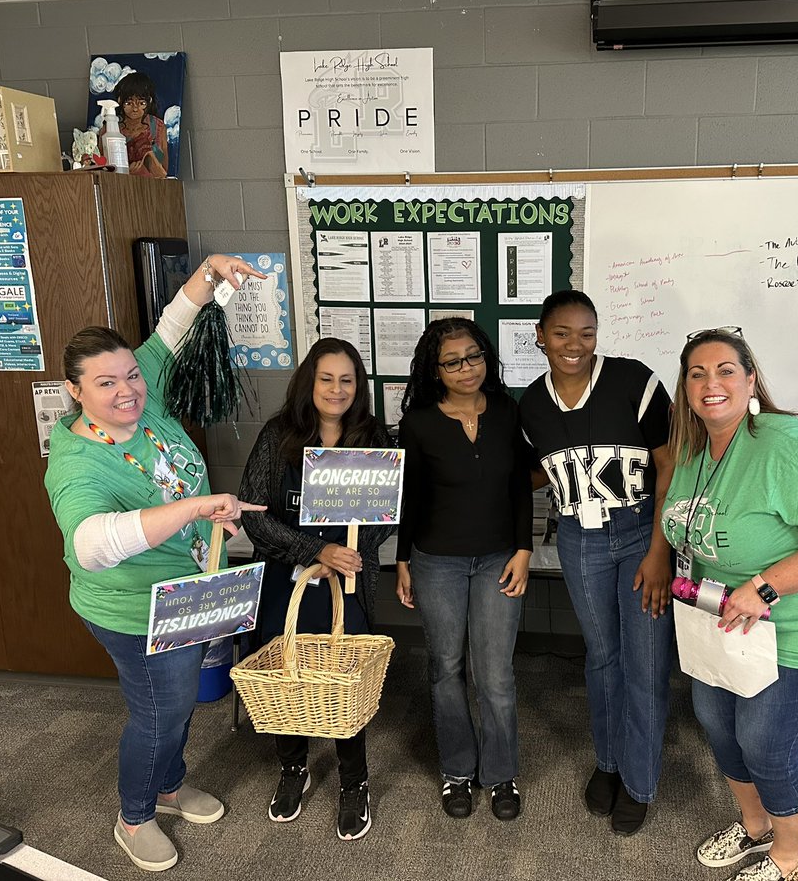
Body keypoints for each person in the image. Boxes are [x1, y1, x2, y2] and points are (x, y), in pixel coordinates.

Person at [45, 254, 267, 872]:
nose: (127, 391)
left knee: (176, 704)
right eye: (107, 384)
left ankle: (168, 789)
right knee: (160, 711)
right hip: (131, 609)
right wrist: (196, 508)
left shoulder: (141, 392)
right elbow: (92, 544)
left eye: (130, 378)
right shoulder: (76, 464)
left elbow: (175, 321)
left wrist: (212, 272)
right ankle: (135, 815)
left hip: (184, 593)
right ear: (76, 391)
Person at [661, 327, 798, 881]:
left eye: (726, 370)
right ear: (685, 387)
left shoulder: (791, 447)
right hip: (729, 626)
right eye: (697, 373)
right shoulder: (696, 447)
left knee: (766, 745)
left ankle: (788, 859)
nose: (711, 383)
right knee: (716, 722)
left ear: (751, 378)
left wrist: (763, 587)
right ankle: (754, 828)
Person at [517, 290, 675, 836]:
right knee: (603, 658)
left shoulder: (636, 382)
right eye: (562, 333)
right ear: (540, 335)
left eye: (587, 332)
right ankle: (608, 764)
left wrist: (660, 549)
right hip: (579, 542)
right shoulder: (532, 403)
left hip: (640, 537)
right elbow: (543, 470)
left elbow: (669, 464)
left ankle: (640, 783)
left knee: (646, 663)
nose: (575, 344)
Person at [239, 338, 394, 842]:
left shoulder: (376, 440)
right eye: (326, 378)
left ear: (359, 386)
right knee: (285, 676)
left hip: (347, 582)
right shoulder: (277, 435)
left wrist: (346, 554)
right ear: (309, 381)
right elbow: (255, 517)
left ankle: (355, 782)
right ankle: (294, 769)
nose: (337, 389)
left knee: (345, 682)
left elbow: (388, 515)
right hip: (287, 582)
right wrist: (314, 552)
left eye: (347, 380)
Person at [396, 318, 533, 821]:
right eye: (452, 361)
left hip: (500, 558)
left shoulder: (506, 411)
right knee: (446, 668)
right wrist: (403, 559)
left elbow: (520, 485)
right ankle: (457, 769)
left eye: (473, 356)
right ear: (435, 369)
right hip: (437, 562)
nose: (466, 368)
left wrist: (524, 549)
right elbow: (410, 497)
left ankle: (500, 774)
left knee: (495, 674)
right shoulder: (419, 421)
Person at [102, 71, 168, 178]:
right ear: (120, 101)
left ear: (149, 101)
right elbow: (102, 165)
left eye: (141, 103)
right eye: (129, 103)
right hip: (118, 183)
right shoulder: (110, 127)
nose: (135, 108)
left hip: (151, 184)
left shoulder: (157, 126)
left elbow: (163, 170)